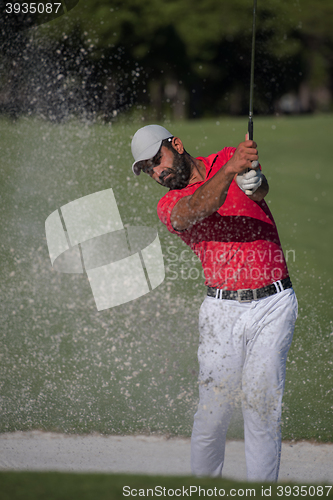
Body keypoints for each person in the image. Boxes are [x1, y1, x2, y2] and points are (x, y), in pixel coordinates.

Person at [130, 124, 298, 482]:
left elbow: (260, 189)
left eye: (157, 160)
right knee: (213, 414)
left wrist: (256, 182)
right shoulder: (170, 204)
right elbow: (196, 207)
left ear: (175, 144)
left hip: (274, 304)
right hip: (222, 311)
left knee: (261, 406)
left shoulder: (227, 158)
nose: (157, 173)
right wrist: (231, 171)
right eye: (148, 170)